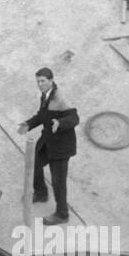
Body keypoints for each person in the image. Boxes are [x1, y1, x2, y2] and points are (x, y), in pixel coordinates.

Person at [17, 66, 78, 224]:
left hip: (61, 147)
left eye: (43, 81)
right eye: (38, 81)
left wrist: (60, 122)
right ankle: (41, 193)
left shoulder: (60, 98)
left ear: (51, 81)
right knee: (34, 162)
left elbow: (74, 118)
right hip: (48, 141)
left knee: (58, 182)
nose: (40, 84)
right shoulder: (46, 95)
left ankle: (62, 214)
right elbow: (42, 116)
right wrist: (28, 124)